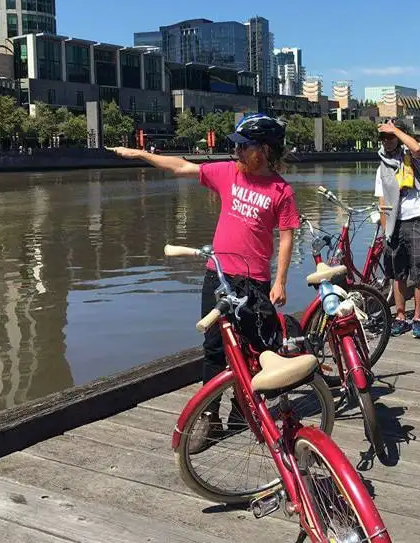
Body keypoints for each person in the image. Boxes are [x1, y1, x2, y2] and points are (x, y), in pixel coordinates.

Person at [108, 114, 301, 451]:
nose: (237, 151)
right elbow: (181, 167)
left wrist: (280, 280)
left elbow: (286, 238)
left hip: (254, 281)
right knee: (214, 348)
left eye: (244, 146)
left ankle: (242, 412)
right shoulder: (228, 173)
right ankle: (209, 419)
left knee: (253, 350)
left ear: (265, 150)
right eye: (236, 145)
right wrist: (141, 155)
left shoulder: (281, 190)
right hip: (219, 276)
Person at [375, 117, 420, 339]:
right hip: (395, 223)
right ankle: (400, 316)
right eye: (384, 137)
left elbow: (418, 147)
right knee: (397, 272)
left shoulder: (414, 158)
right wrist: (386, 232)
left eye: (391, 137)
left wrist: (396, 130)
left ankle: (419, 317)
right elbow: (383, 203)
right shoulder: (382, 167)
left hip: (419, 216)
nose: (387, 141)